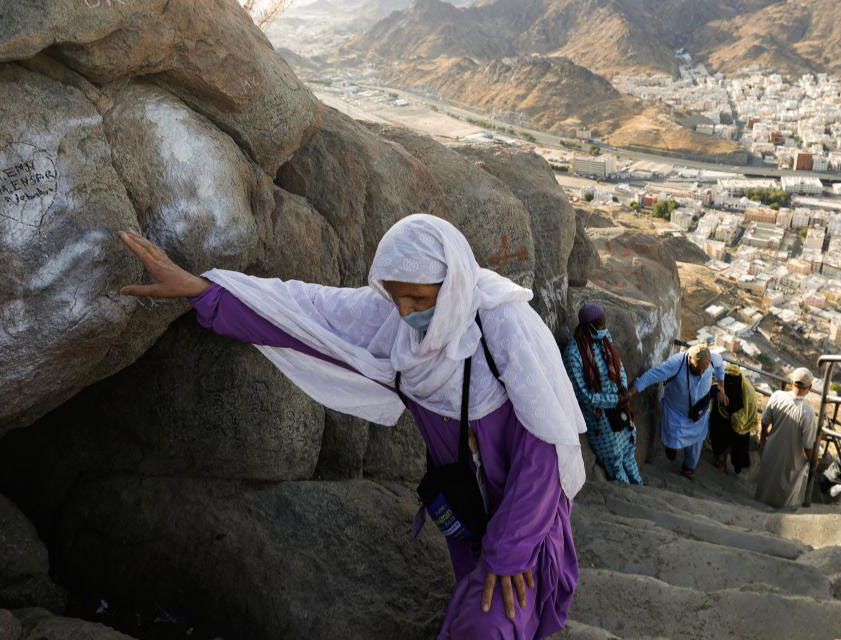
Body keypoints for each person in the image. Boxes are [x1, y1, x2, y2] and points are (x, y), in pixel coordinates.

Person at [117, 214, 584, 639]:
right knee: (477, 602)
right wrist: (202, 291)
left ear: (452, 283)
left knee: (489, 624)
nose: (405, 312)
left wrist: (510, 551)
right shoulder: (397, 327)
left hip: (527, 521)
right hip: (467, 514)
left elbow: (544, 444)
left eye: (418, 298)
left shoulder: (503, 323)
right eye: (396, 296)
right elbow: (304, 311)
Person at [562, 303, 642, 485]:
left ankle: (638, 485)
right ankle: (627, 493)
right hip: (601, 419)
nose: (604, 328)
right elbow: (584, 396)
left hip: (620, 407)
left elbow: (618, 365)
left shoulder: (605, 338)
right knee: (614, 459)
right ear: (588, 326)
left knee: (629, 448)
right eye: (600, 325)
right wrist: (614, 400)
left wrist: (622, 388)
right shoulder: (573, 355)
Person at [628, 343, 725, 480]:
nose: (702, 373)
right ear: (690, 359)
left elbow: (721, 367)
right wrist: (631, 392)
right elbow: (653, 375)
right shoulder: (676, 363)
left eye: (705, 370)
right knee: (672, 439)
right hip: (676, 413)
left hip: (698, 414)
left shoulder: (714, 359)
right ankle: (671, 447)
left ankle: (689, 468)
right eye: (698, 369)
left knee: (696, 442)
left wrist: (722, 387)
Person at [755, 367, 818, 508]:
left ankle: (758, 506)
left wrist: (763, 440)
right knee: (785, 493)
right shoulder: (808, 412)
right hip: (791, 461)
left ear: (791, 382)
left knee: (765, 484)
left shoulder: (777, 396)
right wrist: (813, 462)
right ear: (810, 387)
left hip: (771, 451)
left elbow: (764, 422)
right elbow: (808, 446)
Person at [708, 363, 759, 475]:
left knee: (737, 443)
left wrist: (738, 418)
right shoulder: (720, 384)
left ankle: (735, 463)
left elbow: (750, 411)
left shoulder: (747, 391)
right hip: (721, 416)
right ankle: (720, 461)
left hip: (739, 420)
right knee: (719, 437)